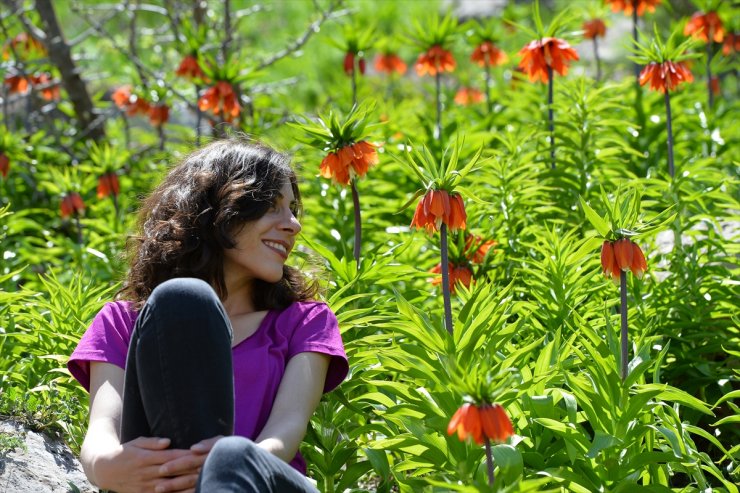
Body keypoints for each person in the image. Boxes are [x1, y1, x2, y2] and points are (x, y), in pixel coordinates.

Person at [68, 137, 349, 493]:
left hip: (261, 482)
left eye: (293, 209)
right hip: (166, 485)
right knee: (181, 299)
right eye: (272, 206)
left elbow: (285, 433)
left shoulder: (304, 321)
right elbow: (102, 432)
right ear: (218, 210)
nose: (293, 224)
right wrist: (105, 466)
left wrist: (228, 468)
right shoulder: (122, 321)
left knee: (233, 456)